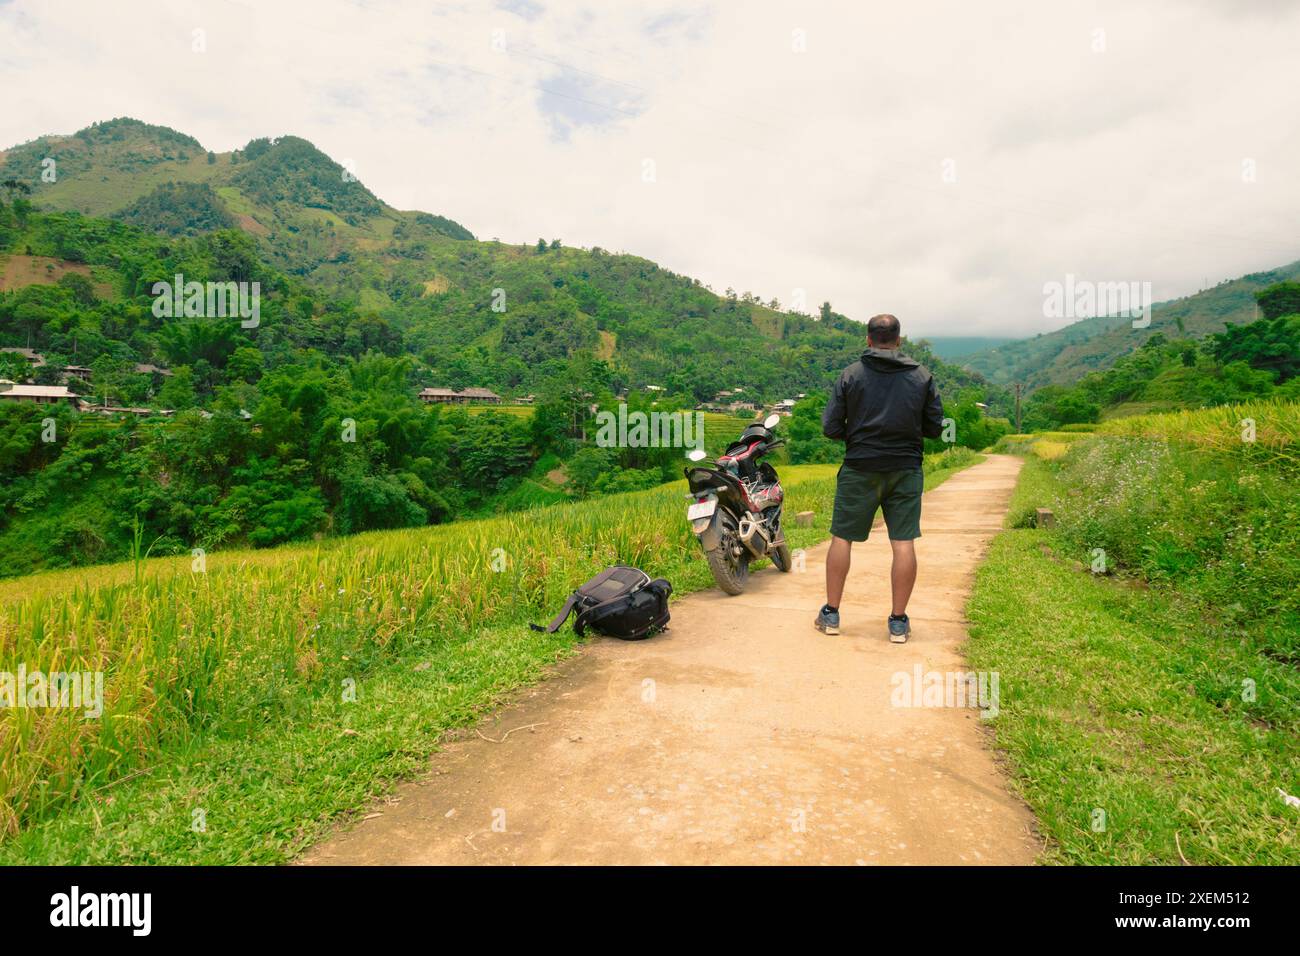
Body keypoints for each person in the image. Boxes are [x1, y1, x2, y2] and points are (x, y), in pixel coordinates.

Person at [816, 314, 944, 642]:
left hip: (860, 466)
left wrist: (858, 437)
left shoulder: (851, 375)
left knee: (842, 537)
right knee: (903, 543)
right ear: (899, 340)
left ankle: (831, 615)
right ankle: (898, 621)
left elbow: (830, 427)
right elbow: (934, 427)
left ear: (869, 340)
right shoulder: (922, 377)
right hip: (905, 468)